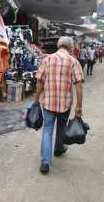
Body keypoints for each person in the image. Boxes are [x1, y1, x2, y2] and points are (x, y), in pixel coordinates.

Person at [34, 36, 84, 174]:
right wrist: (79, 107)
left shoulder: (47, 60)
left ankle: (45, 163)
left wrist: (36, 100)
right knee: (61, 128)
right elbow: (79, 86)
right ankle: (58, 149)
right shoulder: (73, 62)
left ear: (58, 45)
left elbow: (39, 82)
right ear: (71, 47)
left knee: (47, 131)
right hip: (65, 104)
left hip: (49, 103)